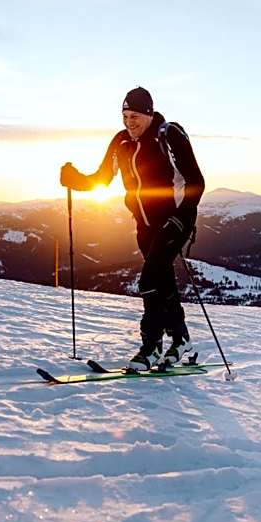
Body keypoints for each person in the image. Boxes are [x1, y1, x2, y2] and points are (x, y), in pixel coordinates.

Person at [60, 86, 205, 370]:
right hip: (145, 225)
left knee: (149, 280)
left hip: (175, 221)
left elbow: (196, 181)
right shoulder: (120, 142)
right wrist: (74, 179)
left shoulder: (169, 135)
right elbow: (100, 180)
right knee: (163, 282)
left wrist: (180, 217)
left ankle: (151, 348)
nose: (129, 122)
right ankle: (181, 339)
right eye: (125, 116)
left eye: (135, 115)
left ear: (149, 114)